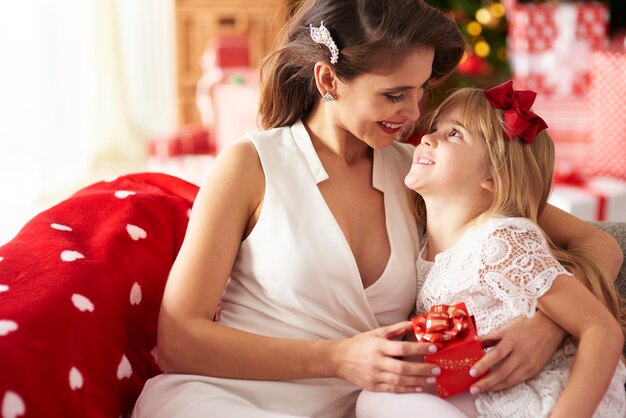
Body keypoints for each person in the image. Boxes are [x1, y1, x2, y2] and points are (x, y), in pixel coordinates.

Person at [131, 1, 624, 416]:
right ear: (328, 80)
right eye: (393, 95)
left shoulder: (423, 175)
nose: (413, 115)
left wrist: (549, 324)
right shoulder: (252, 165)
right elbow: (179, 340)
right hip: (238, 400)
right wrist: (338, 359)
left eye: (421, 91)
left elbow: (594, 243)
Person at [356, 81, 626, 417]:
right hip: (487, 394)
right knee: (379, 396)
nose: (427, 137)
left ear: (493, 178)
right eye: (437, 128)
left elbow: (601, 329)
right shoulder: (426, 243)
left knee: (379, 400)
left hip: (548, 402)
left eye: (455, 134)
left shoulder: (501, 240)